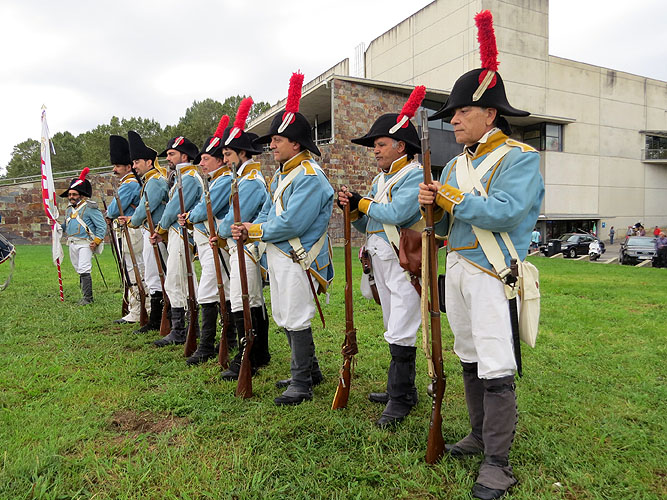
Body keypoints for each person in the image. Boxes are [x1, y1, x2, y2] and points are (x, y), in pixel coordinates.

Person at [418, 10, 544, 500]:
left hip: (493, 272)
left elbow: (505, 213)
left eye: (461, 112)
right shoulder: (453, 166)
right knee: (468, 355)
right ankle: (477, 435)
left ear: (490, 114)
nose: (453, 119)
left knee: (495, 364)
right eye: (452, 114)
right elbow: (446, 226)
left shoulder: (520, 158)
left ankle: (497, 463)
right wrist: (432, 208)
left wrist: (448, 197)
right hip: (457, 268)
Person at [232, 72, 334, 406]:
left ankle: (302, 383)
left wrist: (254, 231)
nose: (271, 145)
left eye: (277, 139)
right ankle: (310, 371)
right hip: (280, 254)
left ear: (296, 144)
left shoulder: (309, 177)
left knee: (296, 315)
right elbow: (268, 211)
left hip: (298, 256)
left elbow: (291, 223)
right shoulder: (283, 173)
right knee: (285, 314)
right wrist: (251, 227)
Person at [337, 86, 425, 428]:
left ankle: (400, 398)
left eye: (381, 144)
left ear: (401, 146)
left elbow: (398, 213)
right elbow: (372, 222)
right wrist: (353, 210)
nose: (375, 150)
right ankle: (402, 390)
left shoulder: (415, 175)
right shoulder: (381, 179)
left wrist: (362, 202)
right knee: (393, 323)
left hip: (404, 262)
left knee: (401, 325)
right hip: (381, 258)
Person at [214, 104, 272, 380]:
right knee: (249, 300)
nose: (225, 160)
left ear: (242, 153)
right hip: (244, 246)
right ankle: (257, 353)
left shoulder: (249, 182)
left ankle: (248, 355)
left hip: (248, 247)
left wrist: (220, 229)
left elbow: (233, 221)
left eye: (228, 154)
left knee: (244, 300)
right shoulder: (243, 179)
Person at [178, 120, 237, 365]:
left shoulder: (223, 180)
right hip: (207, 244)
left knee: (208, 292)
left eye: (206, 159)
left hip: (215, 244)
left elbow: (205, 210)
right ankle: (228, 340)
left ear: (220, 160)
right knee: (221, 290)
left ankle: (206, 346)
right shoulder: (215, 180)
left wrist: (189, 216)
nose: (201, 163)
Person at [152, 136, 203, 347]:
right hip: (177, 233)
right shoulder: (182, 177)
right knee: (180, 281)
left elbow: (173, 209)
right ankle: (188, 328)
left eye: (172, 154)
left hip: (181, 234)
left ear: (184, 156)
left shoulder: (189, 178)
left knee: (176, 280)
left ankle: (181, 330)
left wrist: (160, 229)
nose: (168, 158)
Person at [125, 131, 169, 334]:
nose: (134, 166)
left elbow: (145, 208)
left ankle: (159, 319)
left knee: (155, 275)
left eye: (137, 162)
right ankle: (158, 318)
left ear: (149, 162)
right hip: (150, 232)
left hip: (156, 233)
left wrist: (132, 221)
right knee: (152, 275)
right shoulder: (150, 181)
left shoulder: (155, 181)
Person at [106, 135, 147, 324]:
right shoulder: (131, 182)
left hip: (132, 232)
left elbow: (113, 210)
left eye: (117, 166)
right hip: (131, 231)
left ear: (128, 167)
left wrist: (110, 211)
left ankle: (139, 310)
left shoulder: (129, 184)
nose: (114, 170)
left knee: (134, 270)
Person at [60, 168, 107, 305]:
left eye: (74, 194)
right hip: (72, 243)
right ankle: (84, 295)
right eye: (70, 194)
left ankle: (88, 298)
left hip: (86, 243)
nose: (71, 197)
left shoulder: (90, 208)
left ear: (81, 195)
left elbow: (101, 226)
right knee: (78, 268)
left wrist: (97, 241)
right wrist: (56, 226)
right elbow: (66, 226)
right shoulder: (69, 209)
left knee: (84, 268)